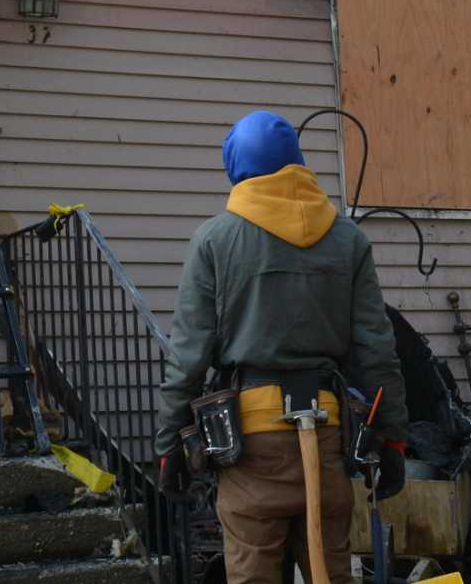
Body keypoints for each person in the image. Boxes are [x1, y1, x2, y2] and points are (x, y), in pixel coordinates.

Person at [157, 111, 409, 584]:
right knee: (329, 573)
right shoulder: (348, 240)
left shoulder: (214, 241)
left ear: (239, 168)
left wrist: (169, 443)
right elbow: (378, 350)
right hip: (329, 439)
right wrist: (393, 438)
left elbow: (188, 356)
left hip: (250, 446)